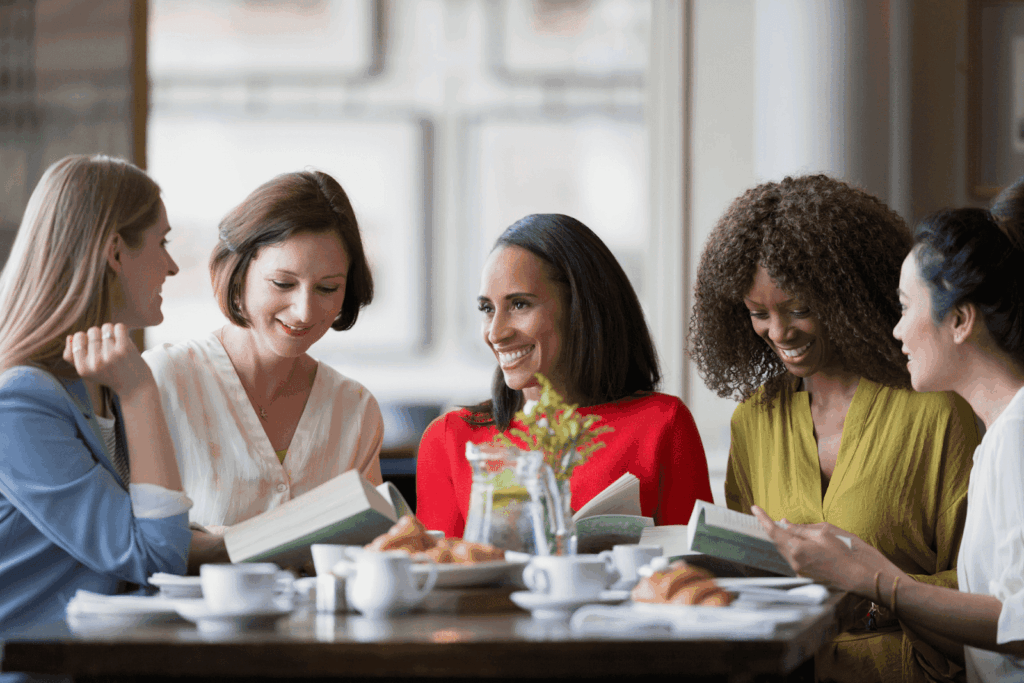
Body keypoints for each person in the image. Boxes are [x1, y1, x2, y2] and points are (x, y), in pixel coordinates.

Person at [688, 175, 981, 683]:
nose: (779, 333)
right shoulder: (755, 421)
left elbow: (985, 590)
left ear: (848, 293)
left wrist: (869, 602)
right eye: (759, 314)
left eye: (799, 308)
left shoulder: (934, 413)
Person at [754, 191, 1024, 683]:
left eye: (904, 307)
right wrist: (872, 577)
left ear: (960, 320)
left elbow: (1020, 628)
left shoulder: (1017, 437)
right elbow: (985, 636)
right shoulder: (998, 439)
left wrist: (877, 580)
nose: (896, 330)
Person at [416, 213, 713, 538]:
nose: (496, 333)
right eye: (488, 309)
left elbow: (692, 574)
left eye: (519, 305)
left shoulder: (664, 425)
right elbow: (435, 578)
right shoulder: (450, 439)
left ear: (581, 309)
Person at [143, 170, 383, 564]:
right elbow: (131, 545)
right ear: (239, 273)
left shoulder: (354, 408)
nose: (305, 310)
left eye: (327, 288)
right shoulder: (162, 379)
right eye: (282, 283)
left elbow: (366, 555)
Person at [0, 155, 192, 634]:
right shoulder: (20, 405)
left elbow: (145, 536)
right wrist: (142, 393)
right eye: (162, 241)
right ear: (115, 251)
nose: (171, 265)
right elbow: (156, 557)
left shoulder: (99, 382)